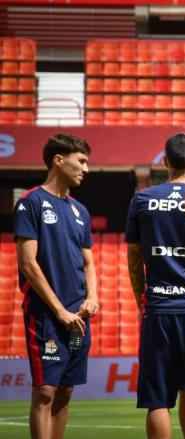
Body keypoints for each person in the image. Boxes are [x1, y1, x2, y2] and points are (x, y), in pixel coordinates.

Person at [125, 133, 185, 439]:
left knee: (158, 401)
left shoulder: (143, 199)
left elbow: (134, 257)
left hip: (158, 308)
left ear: (165, 162)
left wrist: (140, 301)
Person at [13, 134, 98, 439]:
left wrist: (93, 296)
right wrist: (60, 311)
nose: (86, 169)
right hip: (47, 316)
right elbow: (28, 264)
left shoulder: (80, 211)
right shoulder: (31, 203)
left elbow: (88, 262)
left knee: (65, 391)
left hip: (79, 318)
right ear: (59, 161)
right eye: (82, 161)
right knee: (46, 391)